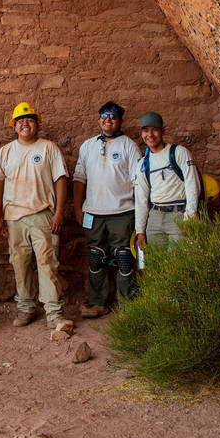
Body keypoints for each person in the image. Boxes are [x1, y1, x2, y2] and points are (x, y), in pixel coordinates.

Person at [0, 102, 71, 329]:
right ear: (14, 126)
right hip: (14, 217)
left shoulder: (48, 148)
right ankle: (25, 308)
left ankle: (53, 312)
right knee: (20, 264)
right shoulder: (6, 152)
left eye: (29, 120)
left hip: (42, 215)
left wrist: (58, 213)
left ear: (37, 124)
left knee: (47, 263)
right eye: (20, 121)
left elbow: (60, 180)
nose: (25, 124)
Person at [73, 101, 140, 317]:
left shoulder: (129, 146)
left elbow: (138, 182)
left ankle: (127, 306)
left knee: (124, 259)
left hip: (123, 212)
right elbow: (79, 179)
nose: (108, 119)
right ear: (99, 119)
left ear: (120, 120)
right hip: (93, 213)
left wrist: (140, 213)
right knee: (96, 257)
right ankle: (97, 303)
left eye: (113, 116)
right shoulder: (88, 146)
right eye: (104, 115)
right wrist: (78, 208)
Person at [135, 112, 201, 248]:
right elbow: (141, 198)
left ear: (162, 131)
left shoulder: (179, 152)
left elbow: (192, 185)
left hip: (178, 214)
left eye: (155, 130)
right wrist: (140, 231)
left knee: (178, 259)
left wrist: (190, 217)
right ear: (141, 134)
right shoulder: (143, 164)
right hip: (155, 217)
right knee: (157, 259)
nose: (150, 135)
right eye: (146, 130)